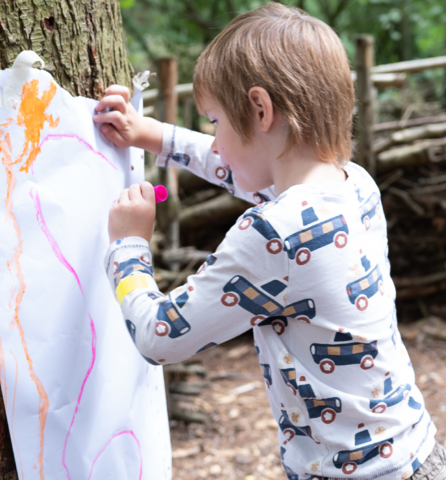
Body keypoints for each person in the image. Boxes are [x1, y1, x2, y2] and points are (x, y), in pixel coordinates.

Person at [92, 3, 445, 479]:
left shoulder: (273, 234)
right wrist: (153, 135)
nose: (214, 142)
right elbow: (245, 171)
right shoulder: (353, 184)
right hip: (417, 454)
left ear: (260, 110)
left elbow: (161, 337)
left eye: (216, 122)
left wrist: (128, 247)